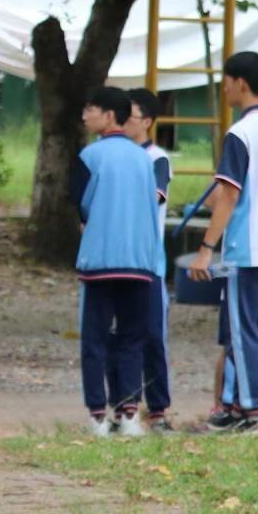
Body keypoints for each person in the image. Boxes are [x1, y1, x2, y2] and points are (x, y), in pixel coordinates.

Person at [188, 51, 258, 433]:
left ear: (241, 83)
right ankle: (244, 409)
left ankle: (253, 413)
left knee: (243, 330)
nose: (223, 86)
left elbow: (229, 196)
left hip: (248, 248)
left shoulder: (240, 134)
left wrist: (206, 248)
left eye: (226, 79)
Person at [73, 86, 170, 438]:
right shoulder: (146, 159)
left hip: (100, 260)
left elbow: (81, 204)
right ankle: (129, 414)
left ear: (109, 115)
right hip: (141, 262)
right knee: (132, 338)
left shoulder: (90, 156)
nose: (85, 116)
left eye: (90, 109)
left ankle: (98, 415)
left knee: (95, 339)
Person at [124, 88, 177, 431]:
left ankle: (157, 409)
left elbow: (152, 198)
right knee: (121, 335)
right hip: (119, 259)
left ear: (146, 121)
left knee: (152, 335)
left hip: (148, 262)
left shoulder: (156, 158)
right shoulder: (112, 154)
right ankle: (124, 404)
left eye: (128, 116)